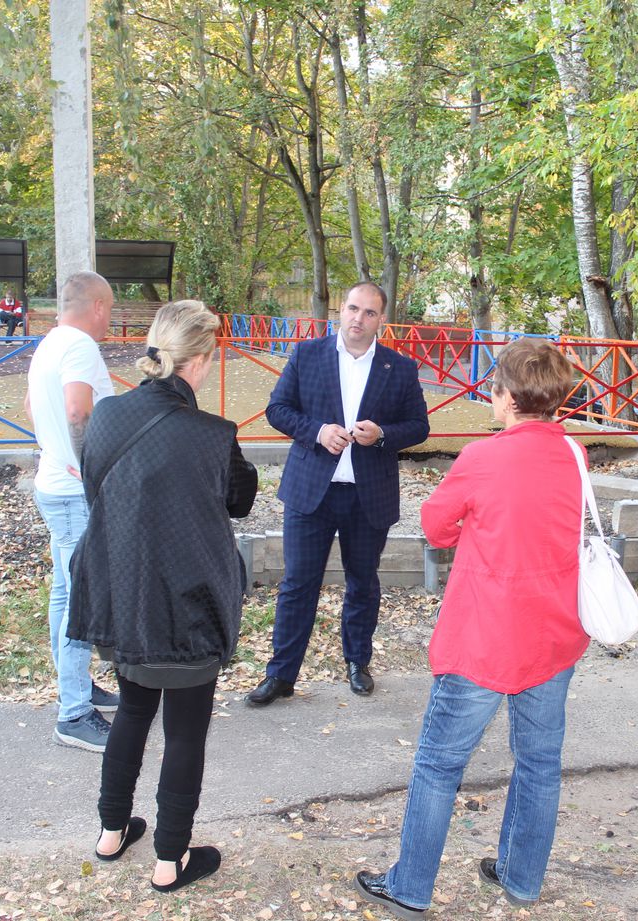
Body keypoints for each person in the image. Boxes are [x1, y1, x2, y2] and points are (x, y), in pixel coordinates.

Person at [353, 338, 588, 917]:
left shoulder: (483, 458)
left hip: (485, 636)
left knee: (438, 765)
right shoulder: (573, 456)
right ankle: (521, 875)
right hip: (553, 634)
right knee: (539, 763)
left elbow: (436, 526)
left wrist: (470, 536)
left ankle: (411, 885)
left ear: (505, 398)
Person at [67, 300, 257, 894]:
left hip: (126, 593)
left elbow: (98, 483)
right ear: (201, 360)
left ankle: (110, 830)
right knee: (185, 733)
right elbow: (241, 498)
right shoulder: (212, 435)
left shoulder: (105, 418)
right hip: (191, 602)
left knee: (131, 710)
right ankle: (170, 860)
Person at [247, 282, 429, 705]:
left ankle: (357, 662)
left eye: (369, 313)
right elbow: (277, 409)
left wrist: (382, 434)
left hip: (369, 495)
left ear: (381, 320)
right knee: (297, 584)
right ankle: (281, 675)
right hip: (312, 491)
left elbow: (418, 426)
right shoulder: (307, 355)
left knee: (362, 583)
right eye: (352, 309)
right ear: (339, 311)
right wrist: (317, 430)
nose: (358, 319)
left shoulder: (398, 368)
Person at [25, 270, 118, 752]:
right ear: (98, 305)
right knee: (80, 598)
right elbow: (79, 411)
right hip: (74, 493)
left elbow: (30, 407)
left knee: (65, 593)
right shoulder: (80, 346)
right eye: (111, 309)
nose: (111, 319)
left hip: (53, 487)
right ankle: (74, 713)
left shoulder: (49, 343)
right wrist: (90, 466)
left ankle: (78, 686)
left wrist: (54, 449)